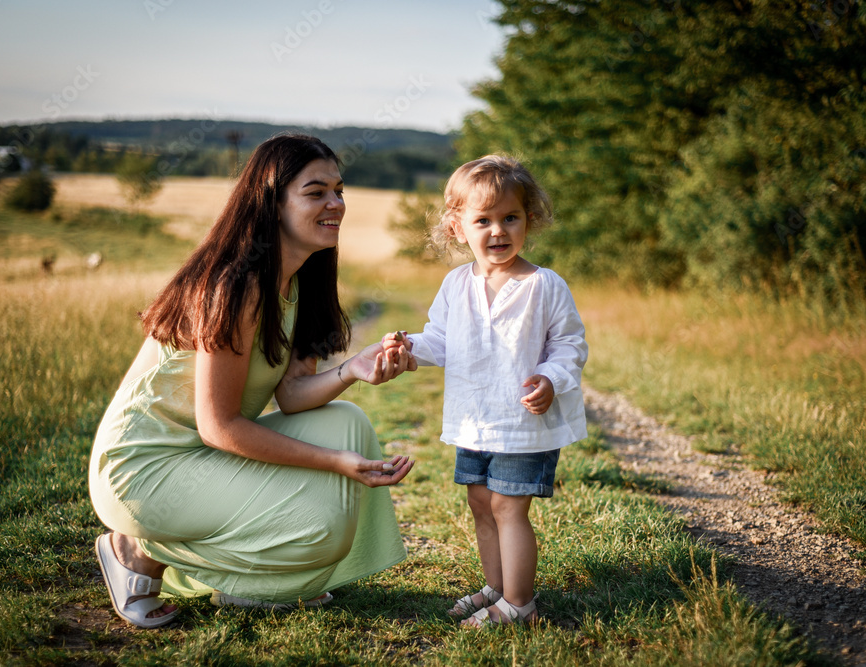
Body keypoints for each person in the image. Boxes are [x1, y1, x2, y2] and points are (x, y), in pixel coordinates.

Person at [89, 133, 416, 628]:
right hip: (144, 468)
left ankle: (263, 584)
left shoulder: (301, 282)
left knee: (347, 421)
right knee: (319, 527)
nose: (336, 203)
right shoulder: (236, 286)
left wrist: (352, 370)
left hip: (200, 458)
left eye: (339, 189)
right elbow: (219, 427)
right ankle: (138, 550)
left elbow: (290, 395)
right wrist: (334, 463)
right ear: (272, 203)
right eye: (316, 192)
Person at [390, 155, 587, 627]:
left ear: (529, 220)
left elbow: (569, 344)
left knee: (506, 506)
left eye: (510, 218)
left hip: (523, 422)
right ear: (458, 228)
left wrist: (550, 378)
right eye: (483, 220)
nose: (497, 231)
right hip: (473, 418)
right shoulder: (457, 284)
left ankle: (520, 603)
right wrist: (407, 346)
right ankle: (497, 588)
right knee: (481, 503)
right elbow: (439, 338)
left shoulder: (544, 285)